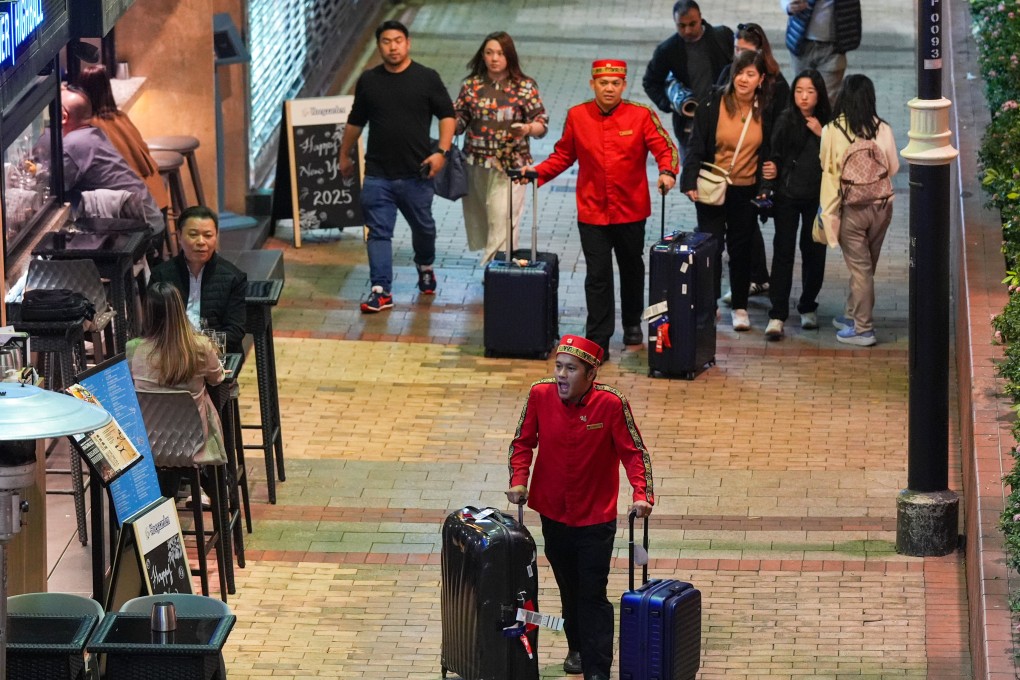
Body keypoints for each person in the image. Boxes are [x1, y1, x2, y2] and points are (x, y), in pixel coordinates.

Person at [505, 334, 653, 680]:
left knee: (592, 592)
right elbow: (522, 442)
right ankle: (577, 645)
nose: (561, 375)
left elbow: (634, 452)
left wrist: (641, 493)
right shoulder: (539, 394)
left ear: (591, 373)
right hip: (553, 513)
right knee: (567, 586)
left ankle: (596, 668)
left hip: (594, 519)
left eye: (570, 369)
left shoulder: (611, 403)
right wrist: (518, 479)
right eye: (558, 366)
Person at [521, 59, 678, 359]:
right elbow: (563, 155)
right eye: (603, 83)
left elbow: (665, 147)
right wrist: (537, 173)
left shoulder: (642, 115)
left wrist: (667, 172)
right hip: (592, 210)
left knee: (632, 268)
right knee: (598, 275)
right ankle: (598, 340)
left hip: (631, 210)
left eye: (615, 83)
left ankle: (632, 322)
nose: (609, 88)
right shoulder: (577, 116)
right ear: (592, 84)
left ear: (623, 85)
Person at [339, 20, 455, 313]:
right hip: (378, 174)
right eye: (387, 41)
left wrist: (442, 151)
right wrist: (344, 155)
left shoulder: (427, 78)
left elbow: (447, 115)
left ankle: (425, 266)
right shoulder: (369, 80)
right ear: (379, 46)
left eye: (398, 40)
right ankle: (381, 290)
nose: (393, 46)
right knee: (378, 233)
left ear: (408, 43)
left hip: (417, 174)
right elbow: (356, 120)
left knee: (424, 228)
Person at [680, 50, 775, 332]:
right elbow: (696, 143)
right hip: (711, 187)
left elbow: (769, 151)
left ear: (761, 79)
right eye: (739, 72)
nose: (743, 79)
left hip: (745, 191)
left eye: (750, 74)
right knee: (711, 248)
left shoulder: (767, 109)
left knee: (740, 249)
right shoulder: (713, 102)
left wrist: (768, 183)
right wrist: (689, 179)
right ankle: (708, 308)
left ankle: (740, 307)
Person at [453, 31, 549, 265]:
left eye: (500, 53)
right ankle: (505, 264)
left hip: (512, 167)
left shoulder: (524, 87)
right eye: (489, 53)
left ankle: (495, 270)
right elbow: (460, 122)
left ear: (510, 56)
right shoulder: (471, 86)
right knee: (486, 220)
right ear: (482, 56)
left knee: (502, 217)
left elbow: (542, 123)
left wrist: (526, 129)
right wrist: (447, 116)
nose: (495, 58)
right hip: (476, 163)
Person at [820, 74, 899, 346]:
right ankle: (852, 314)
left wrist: (828, 214)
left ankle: (863, 329)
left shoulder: (831, 130)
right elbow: (893, 168)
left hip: (850, 208)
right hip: (881, 205)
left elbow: (828, 169)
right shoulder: (883, 128)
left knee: (860, 269)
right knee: (866, 266)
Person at [718, 22, 791, 304]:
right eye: (736, 50)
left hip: (760, 164)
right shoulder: (731, 74)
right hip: (734, 164)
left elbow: (780, 128)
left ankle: (756, 278)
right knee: (740, 225)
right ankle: (755, 277)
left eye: (745, 51)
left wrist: (773, 164)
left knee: (746, 223)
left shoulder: (777, 83)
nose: (739, 57)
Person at [127, 282, 226, 478]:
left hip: (149, 443)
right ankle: (218, 490)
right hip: (195, 443)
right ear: (180, 310)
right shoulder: (200, 347)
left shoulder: (133, 349)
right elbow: (217, 379)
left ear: (147, 313)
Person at [761, 70, 831, 339]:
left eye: (810, 91)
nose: (804, 96)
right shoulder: (785, 119)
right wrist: (770, 176)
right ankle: (777, 314)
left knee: (814, 251)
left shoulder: (828, 123)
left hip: (816, 197)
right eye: (799, 90)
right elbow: (773, 155)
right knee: (783, 252)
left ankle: (808, 306)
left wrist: (822, 133)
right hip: (787, 196)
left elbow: (837, 158)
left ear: (819, 94)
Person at [60, 86, 165, 243]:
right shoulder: (95, 134)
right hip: (153, 219)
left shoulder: (72, 144)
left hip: (140, 234)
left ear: (63, 116)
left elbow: (55, 188)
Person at [643, 0, 734, 160]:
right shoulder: (667, 50)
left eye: (692, 24)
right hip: (689, 125)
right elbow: (650, 82)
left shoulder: (721, 37)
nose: (688, 30)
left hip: (723, 118)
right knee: (692, 173)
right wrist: (669, 104)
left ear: (701, 18)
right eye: (681, 26)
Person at [149, 206, 247, 353]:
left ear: (216, 237)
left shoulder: (233, 277)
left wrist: (200, 346)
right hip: (173, 354)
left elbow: (235, 331)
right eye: (193, 234)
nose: (201, 242)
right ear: (179, 236)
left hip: (215, 354)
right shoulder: (161, 275)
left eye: (208, 235)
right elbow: (154, 326)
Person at [74, 64, 170, 213]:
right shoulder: (120, 117)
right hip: (158, 198)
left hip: (138, 211)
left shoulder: (92, 129)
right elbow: (144, 150)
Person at [781, 0, 862, 105]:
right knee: (802, 98)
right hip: (802, 44)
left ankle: (823, 121)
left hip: (833, 47)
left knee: (827, 100)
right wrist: (788, 6)